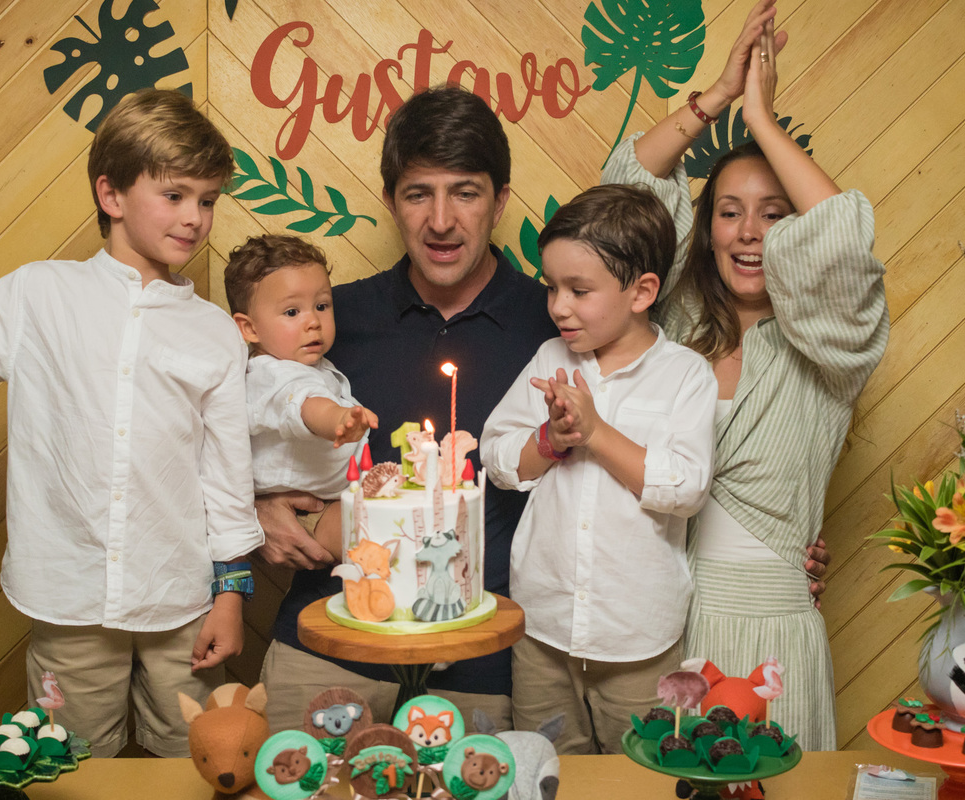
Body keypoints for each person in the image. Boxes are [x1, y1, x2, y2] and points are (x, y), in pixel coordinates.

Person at [0, 89, 264, 758]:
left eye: (207, 200)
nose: (195, 217)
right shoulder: (36, 294)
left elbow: (226, 478)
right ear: (111, 194)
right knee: (76, 766)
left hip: (181, 600)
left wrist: (230, 596)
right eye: (174, 195)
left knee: (200, 758)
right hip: (67, 598)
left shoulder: (213, 333)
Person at [601, 0, 889, 749]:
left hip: (777, 629)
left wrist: (763, 120)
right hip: (672, 617)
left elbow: (841, 243)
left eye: (772, 212)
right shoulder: (669, 322)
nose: (749, 232)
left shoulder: (829, 347)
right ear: (706, 231)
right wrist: (717, 101)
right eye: (729, 212)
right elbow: (628, 186)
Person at [256, 86, 558, 732]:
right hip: (328, 645)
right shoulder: (328, 320)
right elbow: (229, 423)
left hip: (481, 659)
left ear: (501, 201)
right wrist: (255, 509)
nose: (441, 220)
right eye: (419, 193)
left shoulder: (553, 325)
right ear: (392, 201)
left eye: (466, 193)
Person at [481, 184, 717, 754]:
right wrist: (551, 439)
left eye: (579, 290)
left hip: (637, 637)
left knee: (645, 776)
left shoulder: (685, 375)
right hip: (541, 628)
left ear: (642, 292)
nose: (559, 306)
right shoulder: (550, 359)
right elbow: (497, 456)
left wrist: (596, 432)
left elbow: (686, 487)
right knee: (548, 766)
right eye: (552, 287)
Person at [225, 234, 378, 539]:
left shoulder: (306, 363)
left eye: (322, 305)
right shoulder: (272, 374)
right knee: (382, 543)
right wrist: (338, 419)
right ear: (250, 328)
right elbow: (305, 405)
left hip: (328, 498)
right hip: (305, 511)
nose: (314, 322)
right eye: (292, 312)